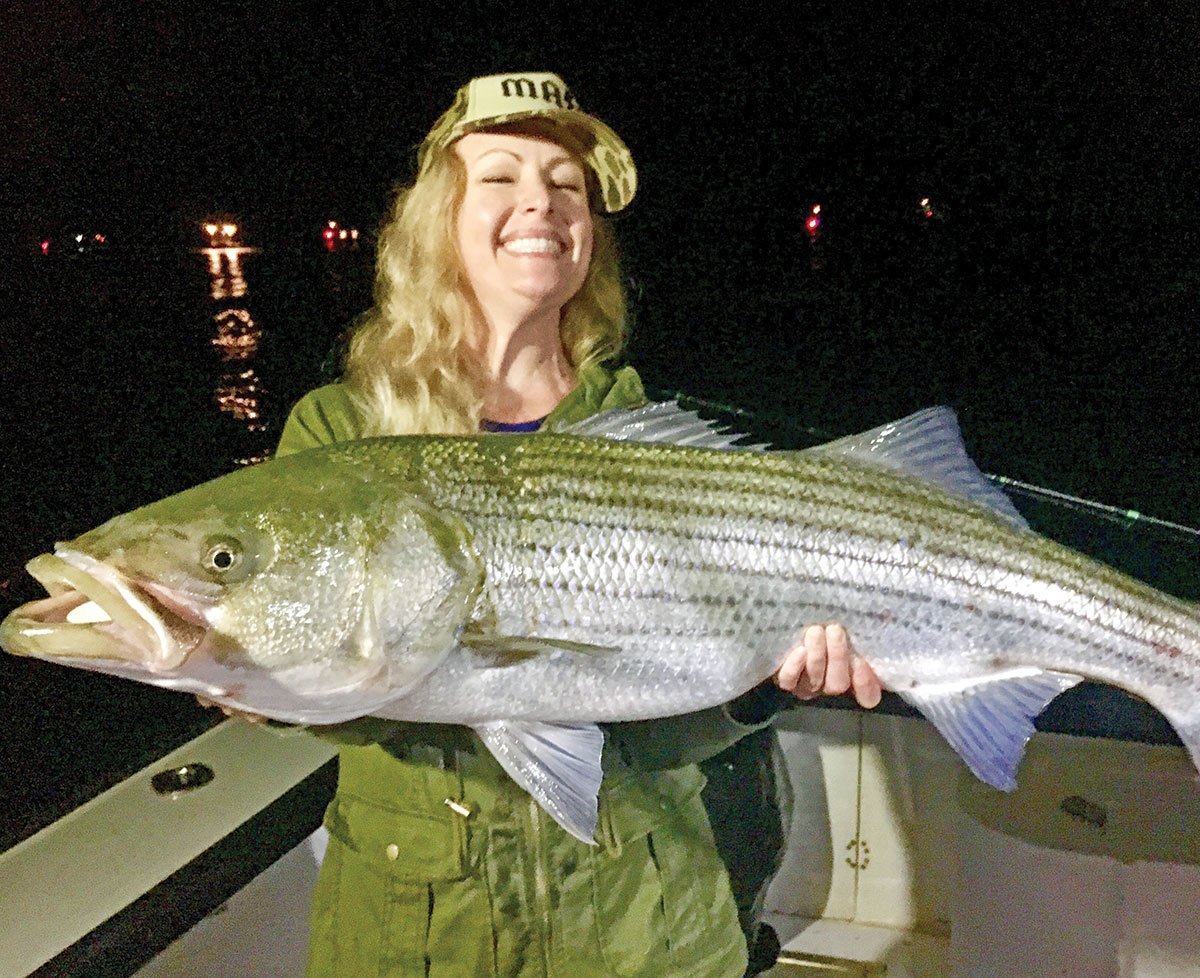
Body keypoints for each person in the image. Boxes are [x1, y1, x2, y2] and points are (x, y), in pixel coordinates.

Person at [275, 71, 882, 978]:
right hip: (421, 934)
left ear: (589, 236)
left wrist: (763, 688)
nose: (541, 203)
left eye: (567, 186)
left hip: (644, 921)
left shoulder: (658, 449)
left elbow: (663, 726)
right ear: (438, 217)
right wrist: (255, 669)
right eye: (502, 176)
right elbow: (340, 697)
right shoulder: (341, 434)